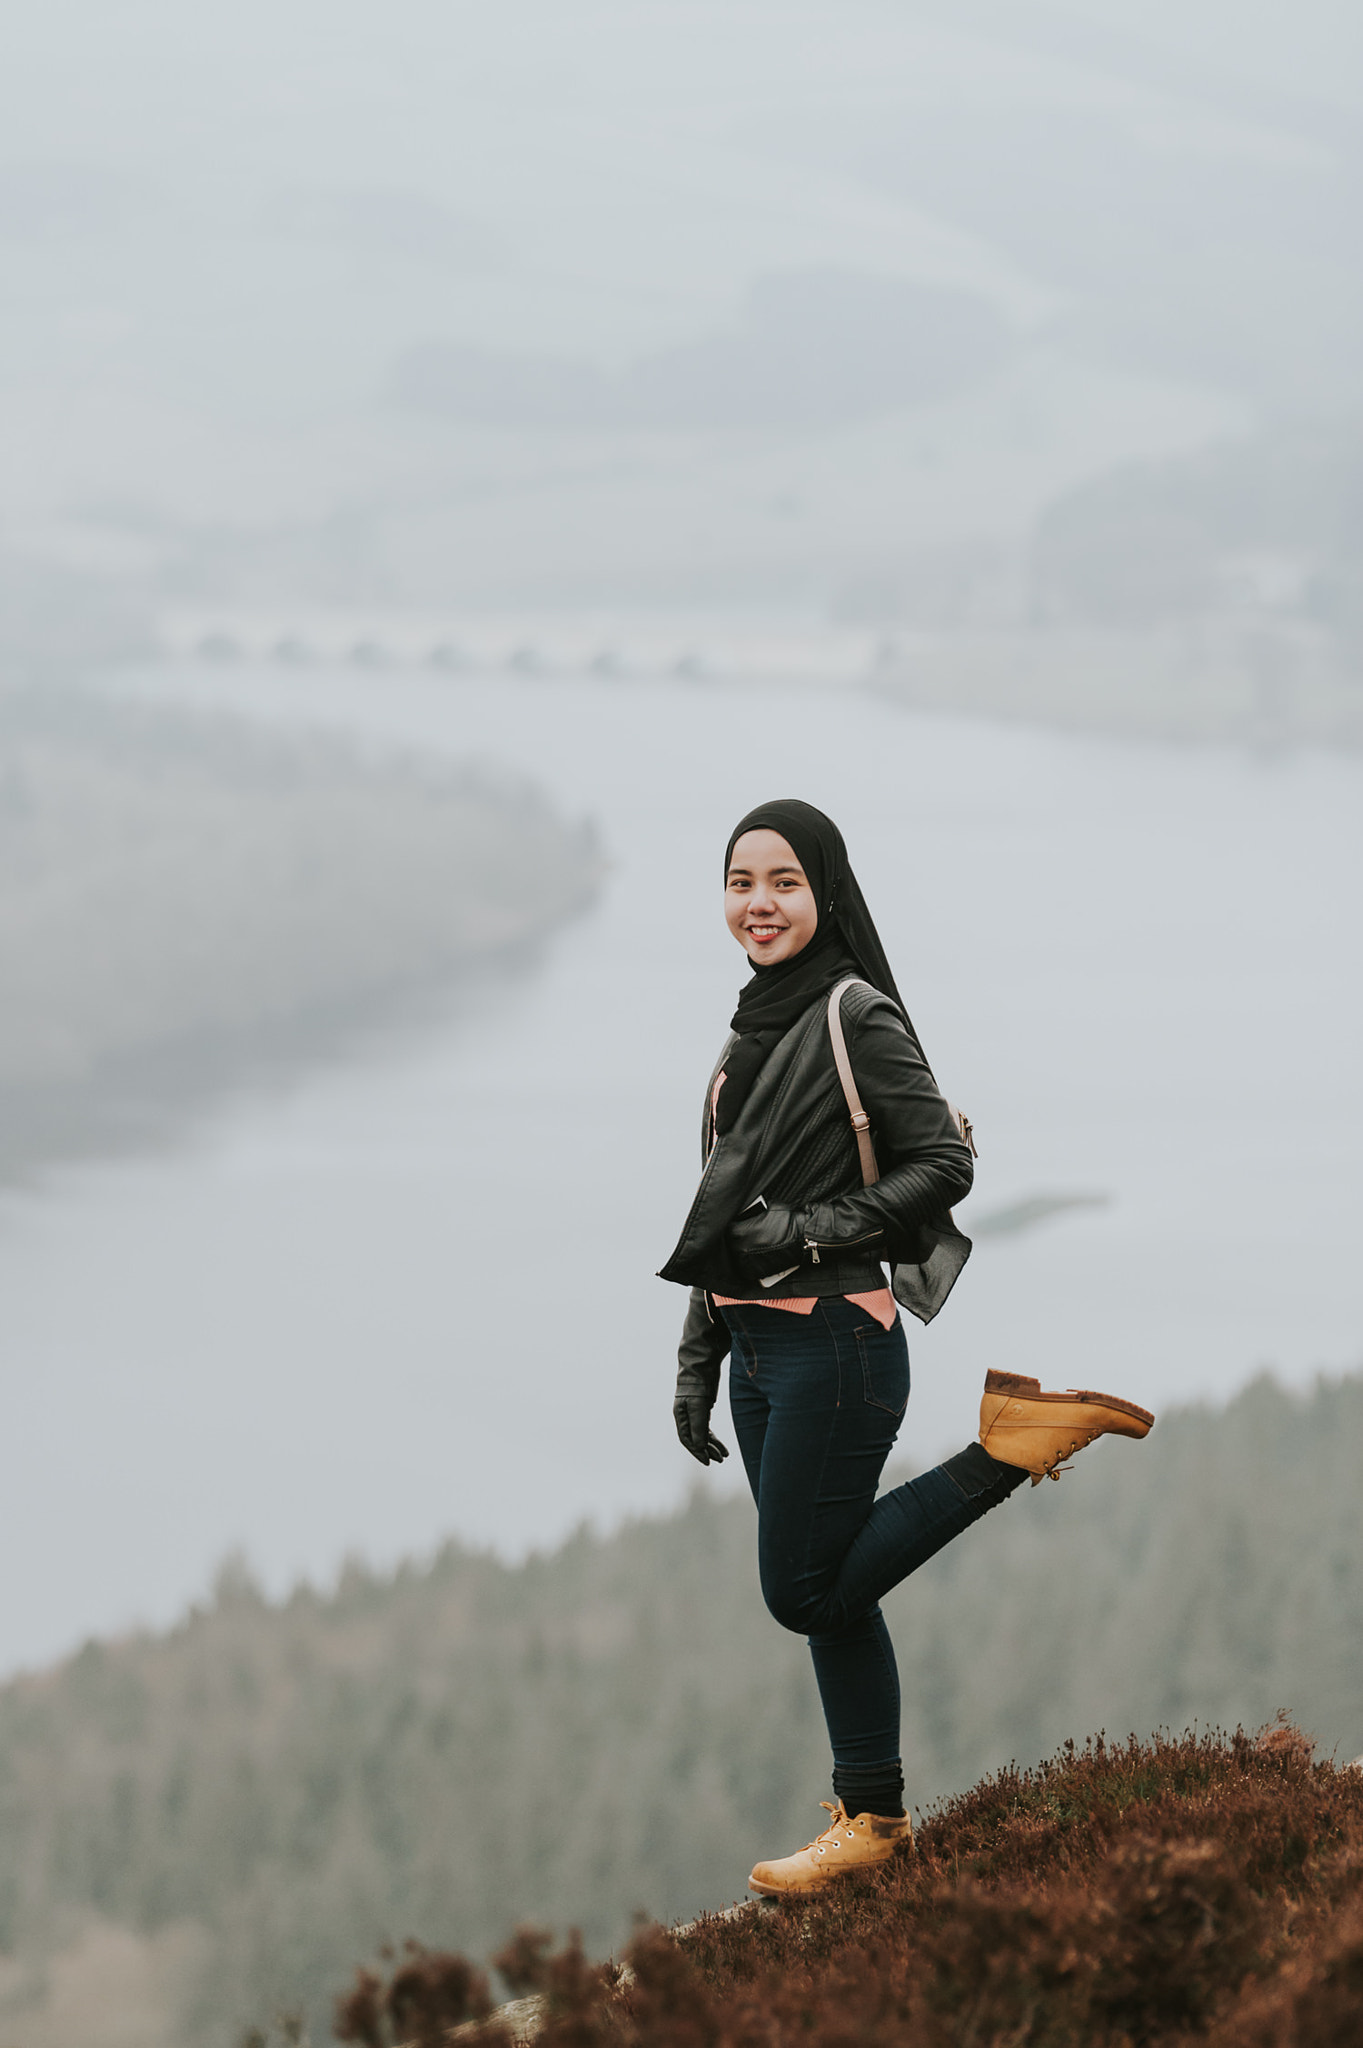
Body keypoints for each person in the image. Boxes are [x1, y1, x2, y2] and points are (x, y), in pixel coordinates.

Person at [659, 798, 1153, 1900]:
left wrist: (811, 1231)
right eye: (741, 881)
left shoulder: (850, 1013)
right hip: (760, 1354)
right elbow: (724, 1210)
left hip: (834, 1346)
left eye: (783, 881)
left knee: (800, 1591)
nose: (759, 901)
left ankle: (1008, 1449)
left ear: (824, 891)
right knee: (837, 1585)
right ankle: (871, 1815)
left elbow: (940, 1164)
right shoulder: (755, 1024)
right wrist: (700, 1358)